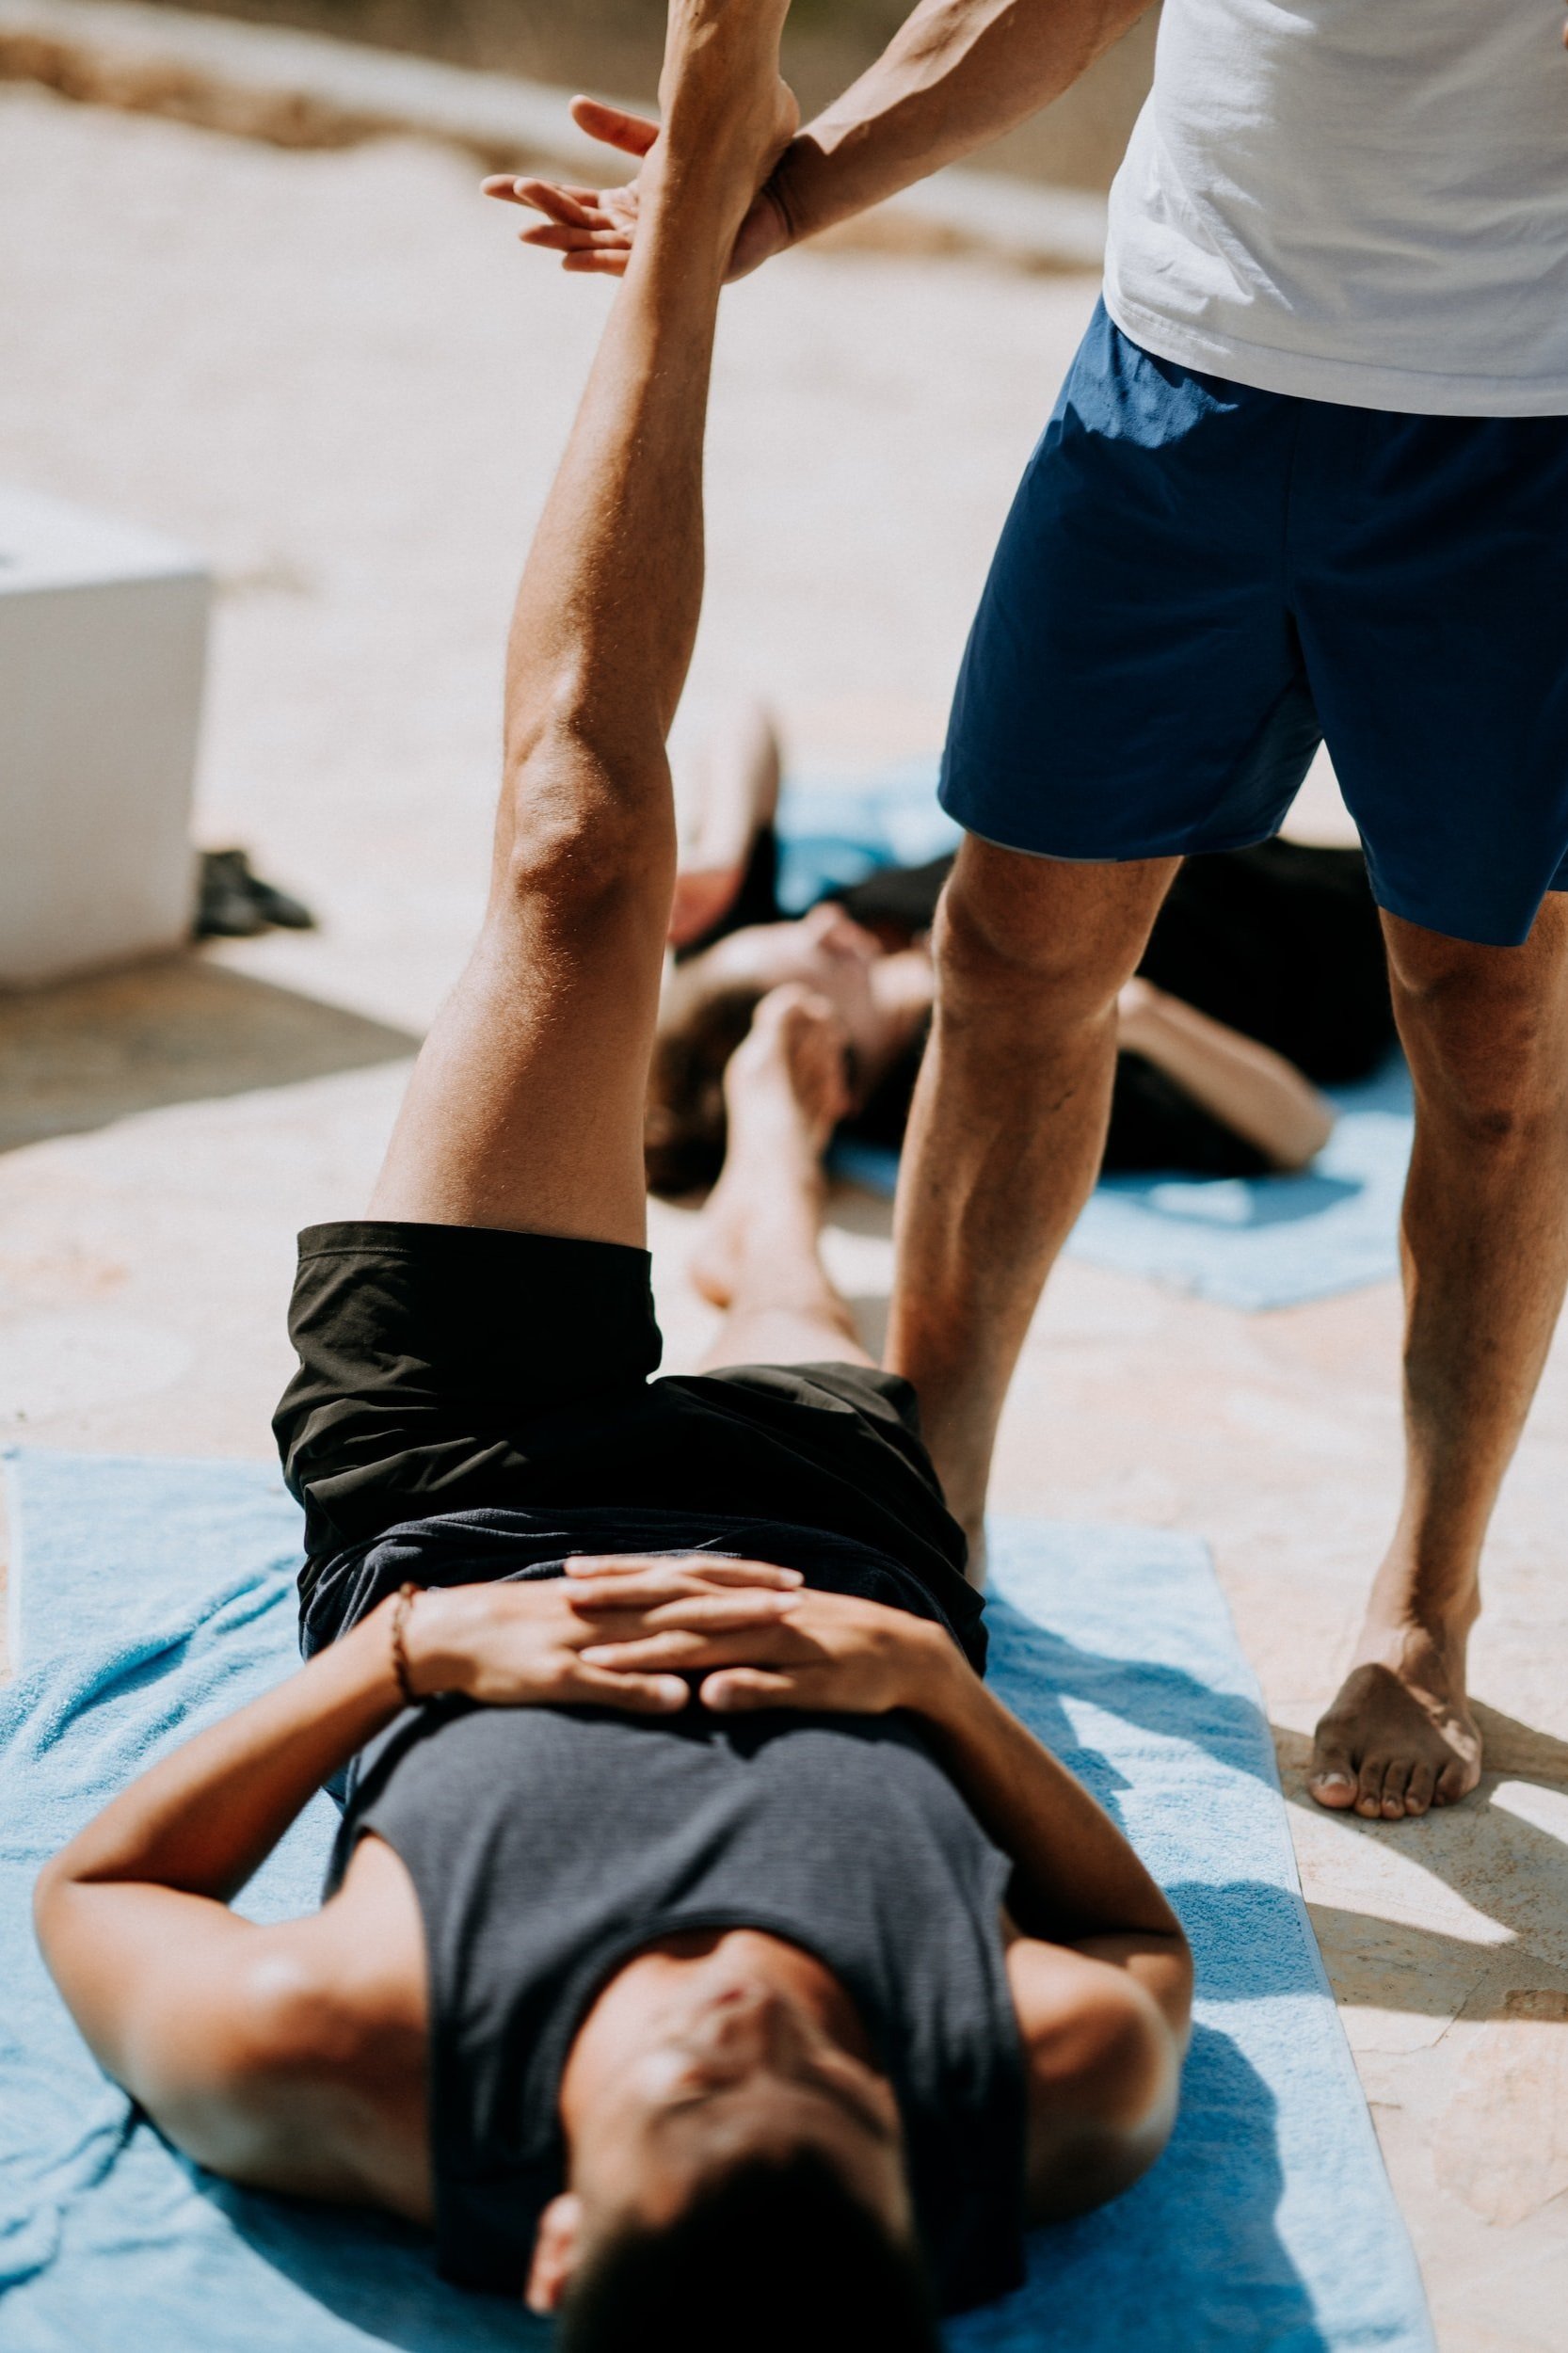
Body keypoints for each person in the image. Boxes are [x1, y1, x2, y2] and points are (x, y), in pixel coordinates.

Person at [33, 8, 1192, 2345]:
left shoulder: (333, 2062)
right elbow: (1141, 1952)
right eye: (845, 2085)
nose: (758, 2015)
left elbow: (92, 1895)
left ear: (549, 2233)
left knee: (581, 851)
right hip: (838, 1562)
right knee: (783, 1297)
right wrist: (929, 1695)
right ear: (923, 2189)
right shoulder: (1044, 2096)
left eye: (684, 2072)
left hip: (462, 1496)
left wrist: (406, 1655)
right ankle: (764, 1145)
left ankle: (704, 134)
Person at [502, 0, 1568, 1823]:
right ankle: (936, 1513)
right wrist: (782, 192)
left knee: (1486, 1028)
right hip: (1175, 381)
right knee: (1006, 962)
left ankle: (1421, 1592)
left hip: (1512, 428)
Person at [649, 702, 1392, 1217]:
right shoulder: (995, 1075)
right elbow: (1303, 1132)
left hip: (1230, 845)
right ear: (829, 1073)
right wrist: (1141, 1016)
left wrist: (721, 848)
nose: (826, 920)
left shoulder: (745, 970)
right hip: (1345, 946)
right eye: (833, 956)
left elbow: (745, 720)